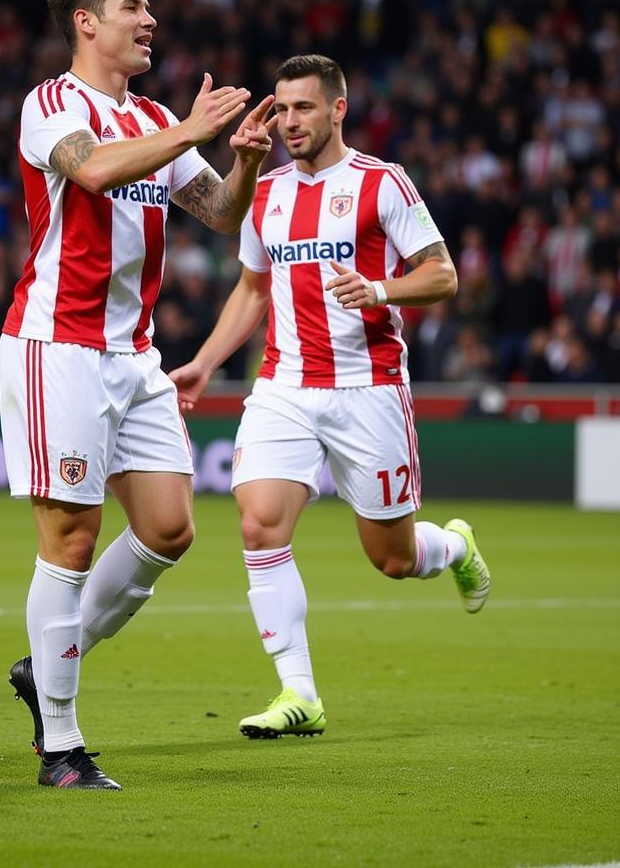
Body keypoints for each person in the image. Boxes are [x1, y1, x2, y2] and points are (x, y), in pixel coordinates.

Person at [0, 0, 276, 789]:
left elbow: (222, 211)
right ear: (86, 22)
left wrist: (247, 157)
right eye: (132, 7)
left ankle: (44, 661)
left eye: (149, 7)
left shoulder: (151, 115)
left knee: (168, 529)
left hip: (134, 354)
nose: (149, 19)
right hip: (60, 349)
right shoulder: (53, 105)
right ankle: (59, 745)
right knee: (72, 541)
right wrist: (191, 131)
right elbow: (92, 170)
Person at [168, 54, 491, 740]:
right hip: (284, 384)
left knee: (393, 559)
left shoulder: (383, 184)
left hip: (367, 387)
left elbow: (442, 276)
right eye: (281, 109)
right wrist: (203, 361)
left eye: (304, 108)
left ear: (338, 109)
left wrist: (379, 289)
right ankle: (298, 692)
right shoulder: (265, 190)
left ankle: (454, 549)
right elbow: (254, 288)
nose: (289, 122)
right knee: (258, 522)